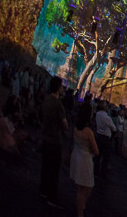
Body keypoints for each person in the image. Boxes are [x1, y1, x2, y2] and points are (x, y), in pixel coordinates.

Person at [40, 76, 67, 209]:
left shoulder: (46, 100)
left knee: (45, 167)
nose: (63, 88)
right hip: (54, 139)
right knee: (54, 170)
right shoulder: (58, 104)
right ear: (58, 87)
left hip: (45, 137)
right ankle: (52, 196)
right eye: (61, 86)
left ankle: (43, 191)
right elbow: (64, 124)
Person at [70, 102, 99, 217]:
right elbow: (96, 150)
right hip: (85, 160)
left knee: (82, 187)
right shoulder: (88, 131)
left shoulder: (76, 127)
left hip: (76, 156)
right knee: (85, 188)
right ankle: (80, 212)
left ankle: (81, 207)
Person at [94, 101, 116, 177]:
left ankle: (95, 171)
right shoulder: (107, 118)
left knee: (98, 155)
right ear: (104, 107)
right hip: (106, 138)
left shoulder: (97, 114)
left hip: (98, 135)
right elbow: (114, 128)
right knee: (106, 156)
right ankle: (103, 172)